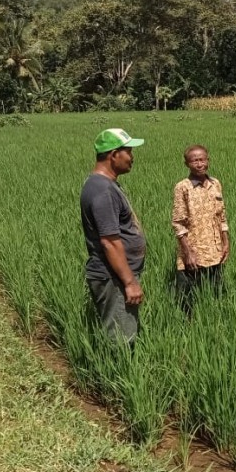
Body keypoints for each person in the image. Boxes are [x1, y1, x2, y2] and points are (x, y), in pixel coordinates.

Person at [79, 128, 146, 343]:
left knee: (123, 332)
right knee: (120, 340)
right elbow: (109, 241)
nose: (132, 158)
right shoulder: (103, 190)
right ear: (113, 154)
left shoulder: (104, 185)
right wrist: (129, 282)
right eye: (129, 151)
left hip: (116, 275)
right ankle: (118, 374)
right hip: (114, 277)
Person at [171, 144, 230, 315]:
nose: (199, 164)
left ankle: (214, 321)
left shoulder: (215, 184)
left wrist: (226, 242)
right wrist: (187, 252)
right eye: (194, 161)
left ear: (208, 161)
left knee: (215, 292)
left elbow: (222, 216)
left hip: (215, 250)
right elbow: (178, 223)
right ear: (187, 164)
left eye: (202, 160)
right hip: (194, 252)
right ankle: (188, 329)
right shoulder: (183, 187)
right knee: (188, 298)